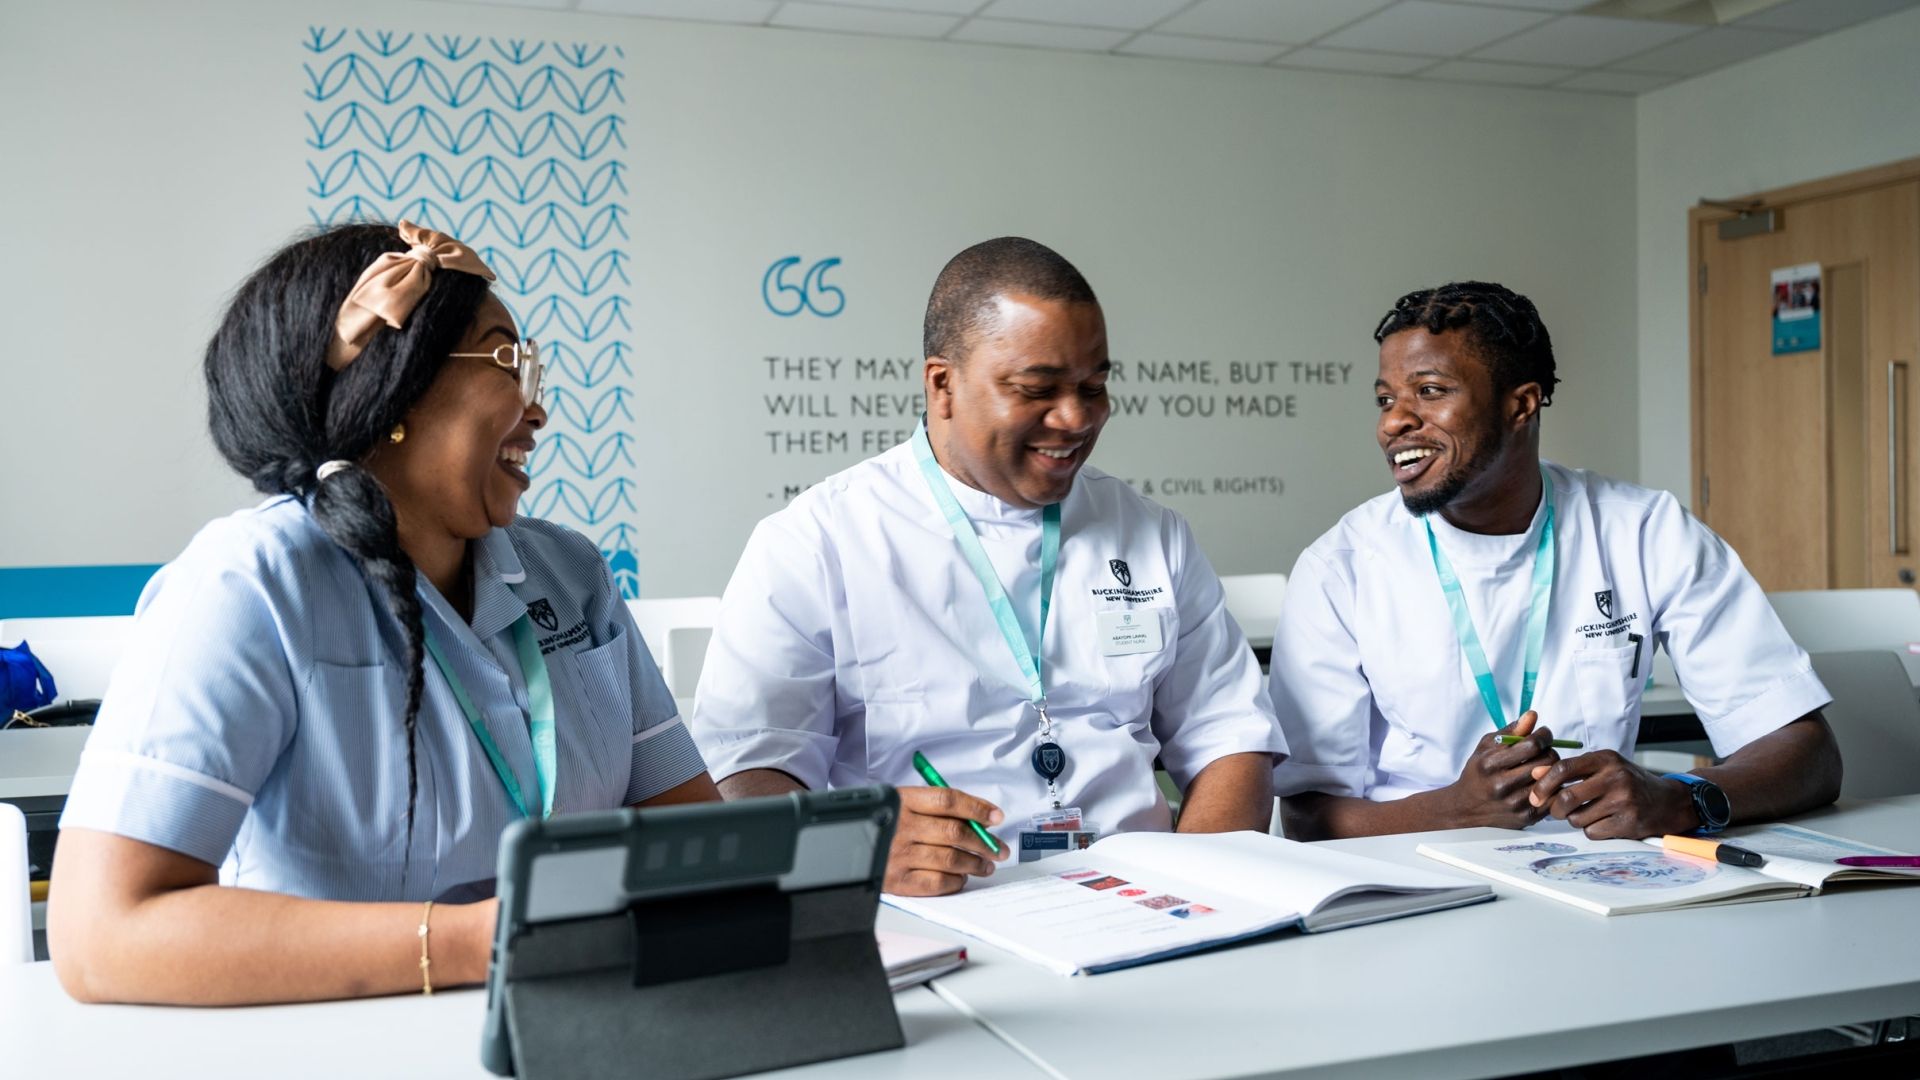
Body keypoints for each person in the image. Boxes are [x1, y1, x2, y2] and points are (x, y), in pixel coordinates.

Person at [49, 222, 718, 1005]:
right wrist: (479, 942)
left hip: (592, 1027)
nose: (537, 411)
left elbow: (696, 843)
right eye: (507, 360)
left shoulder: (570, 575)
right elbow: (103, 933)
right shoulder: (246, 586)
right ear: (397, 387)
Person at [692, 237, 1285, 896]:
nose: (1076, 418)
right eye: (1038, 389)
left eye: (1094, 386)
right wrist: (847, 846)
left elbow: (1231, 739)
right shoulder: (816, 543)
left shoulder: (1150, 533)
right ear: (943, 384)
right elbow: (750, 772)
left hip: (1142, 898)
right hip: (928, 910)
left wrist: (1197, 894)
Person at [1269, 281, 1842, 842]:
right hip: (1417, 878)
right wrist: (1453, 811)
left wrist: (1678, 797)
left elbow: (1807, 754)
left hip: (1604, 876)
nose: (1393, 422)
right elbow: (1305, 816)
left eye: (1430, 391)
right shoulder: (1340, 568)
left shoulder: (1645, 531)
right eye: (1385, 399)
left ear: (1521, 404)